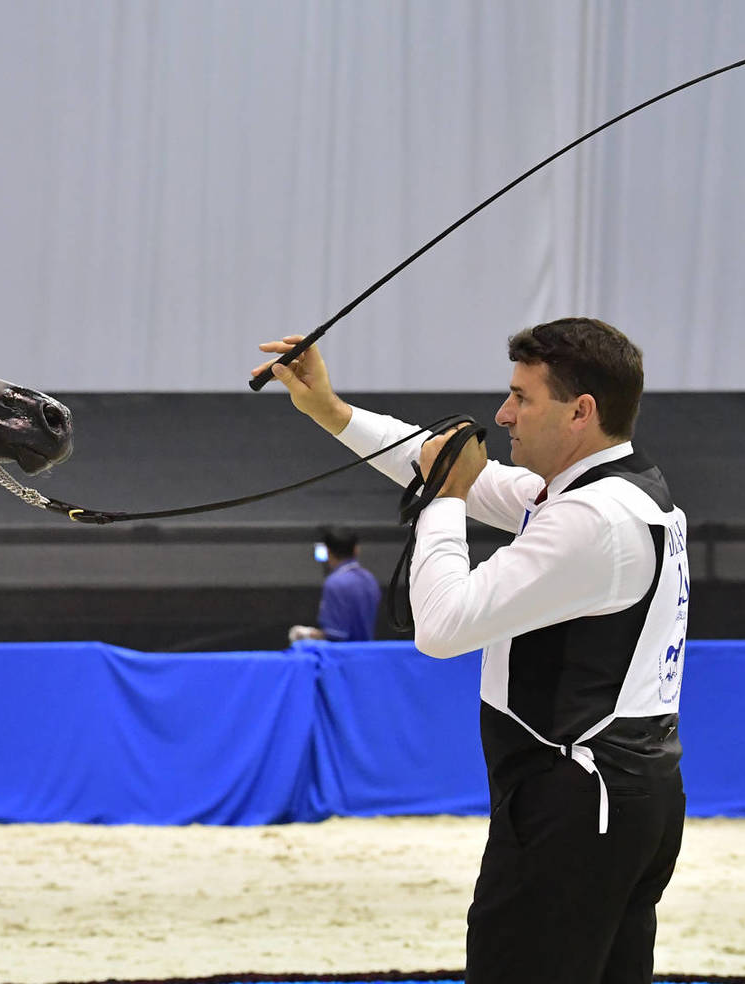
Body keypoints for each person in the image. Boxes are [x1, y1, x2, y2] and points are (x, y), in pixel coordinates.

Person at [253, 318, 688, 984]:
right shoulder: (619, 492)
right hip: (628, 795)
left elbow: (441, 627)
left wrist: (443, 500)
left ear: (581, 411)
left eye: (522, 397)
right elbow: (444, 463)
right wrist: (332, 411)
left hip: (574, 803)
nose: (503, 414)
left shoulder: (590, 520)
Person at [288, 525, 381, 643]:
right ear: (356, 550)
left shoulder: (335, 583)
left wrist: (307, 634)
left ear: (328, 552)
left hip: (343, 653)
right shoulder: (369, 579)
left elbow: (337, 634)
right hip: (366, 650)